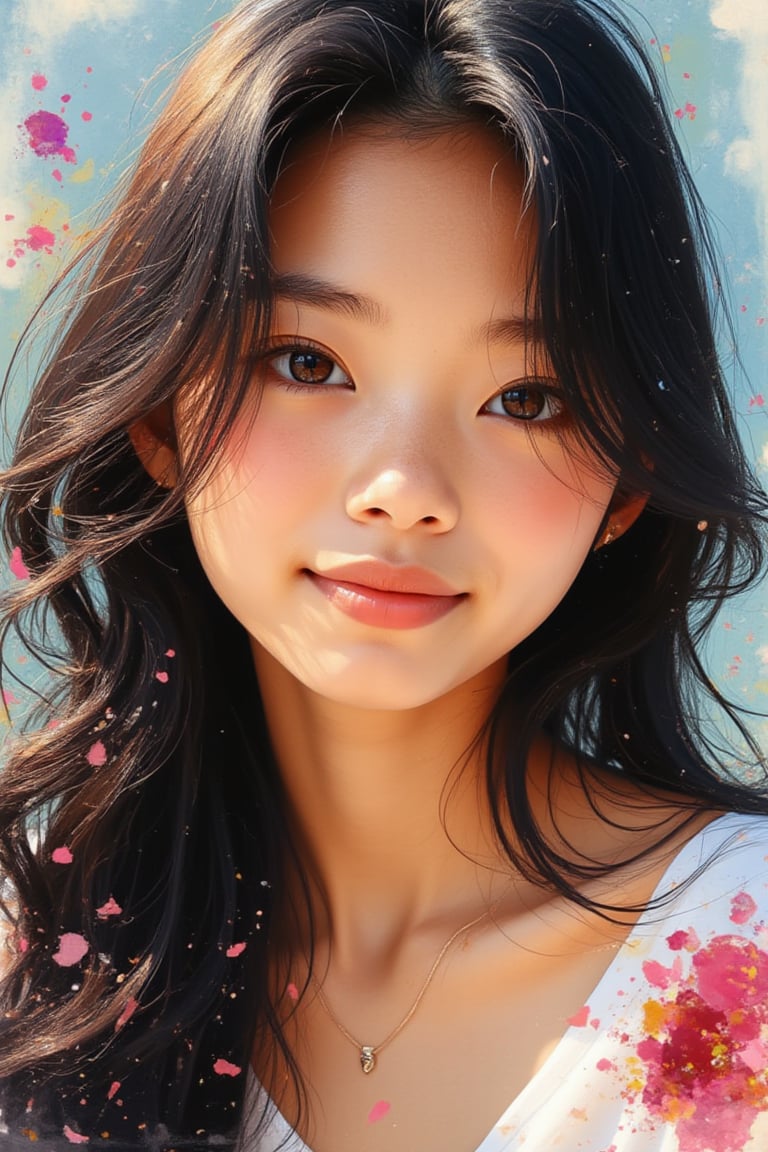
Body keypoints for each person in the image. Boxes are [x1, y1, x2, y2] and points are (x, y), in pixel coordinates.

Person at [1, 0, 767, 1148]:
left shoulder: (741, 966)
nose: (405, 486)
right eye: (307, 362)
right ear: (159, 410)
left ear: (630, 477)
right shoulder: (38, 977)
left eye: (526, 398)